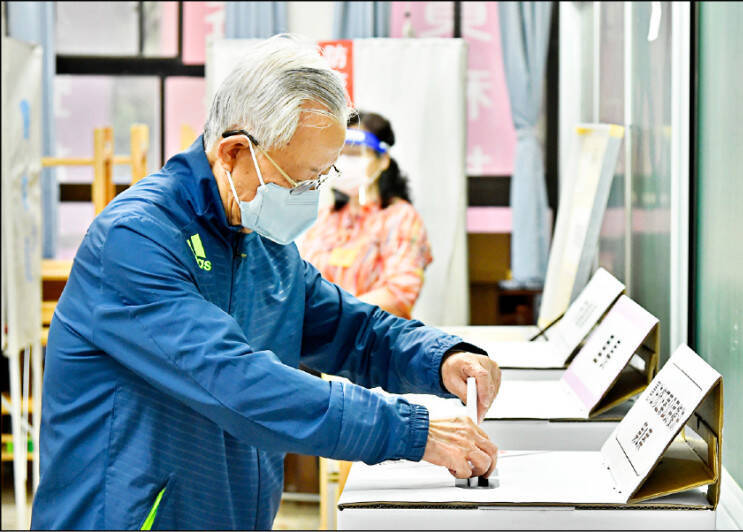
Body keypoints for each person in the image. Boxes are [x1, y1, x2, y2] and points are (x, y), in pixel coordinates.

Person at [31, 34, 501, 530]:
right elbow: (236, 381)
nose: (309, 196)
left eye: (320, 179)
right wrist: (411, 431)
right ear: (234, 152)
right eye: (298, 181)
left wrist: (439, 357)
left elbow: (351, 330)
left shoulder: (261, 240)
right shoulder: (136, 239)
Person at [301, 111, 431, 319]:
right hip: (320, 335)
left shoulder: (401, 218)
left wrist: (335, 315)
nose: (344, 163)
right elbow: (302, 284)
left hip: (375, 335)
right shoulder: (324, 218)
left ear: (383, 160)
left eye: (354, 154)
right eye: (339, 154)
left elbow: (399, 295)